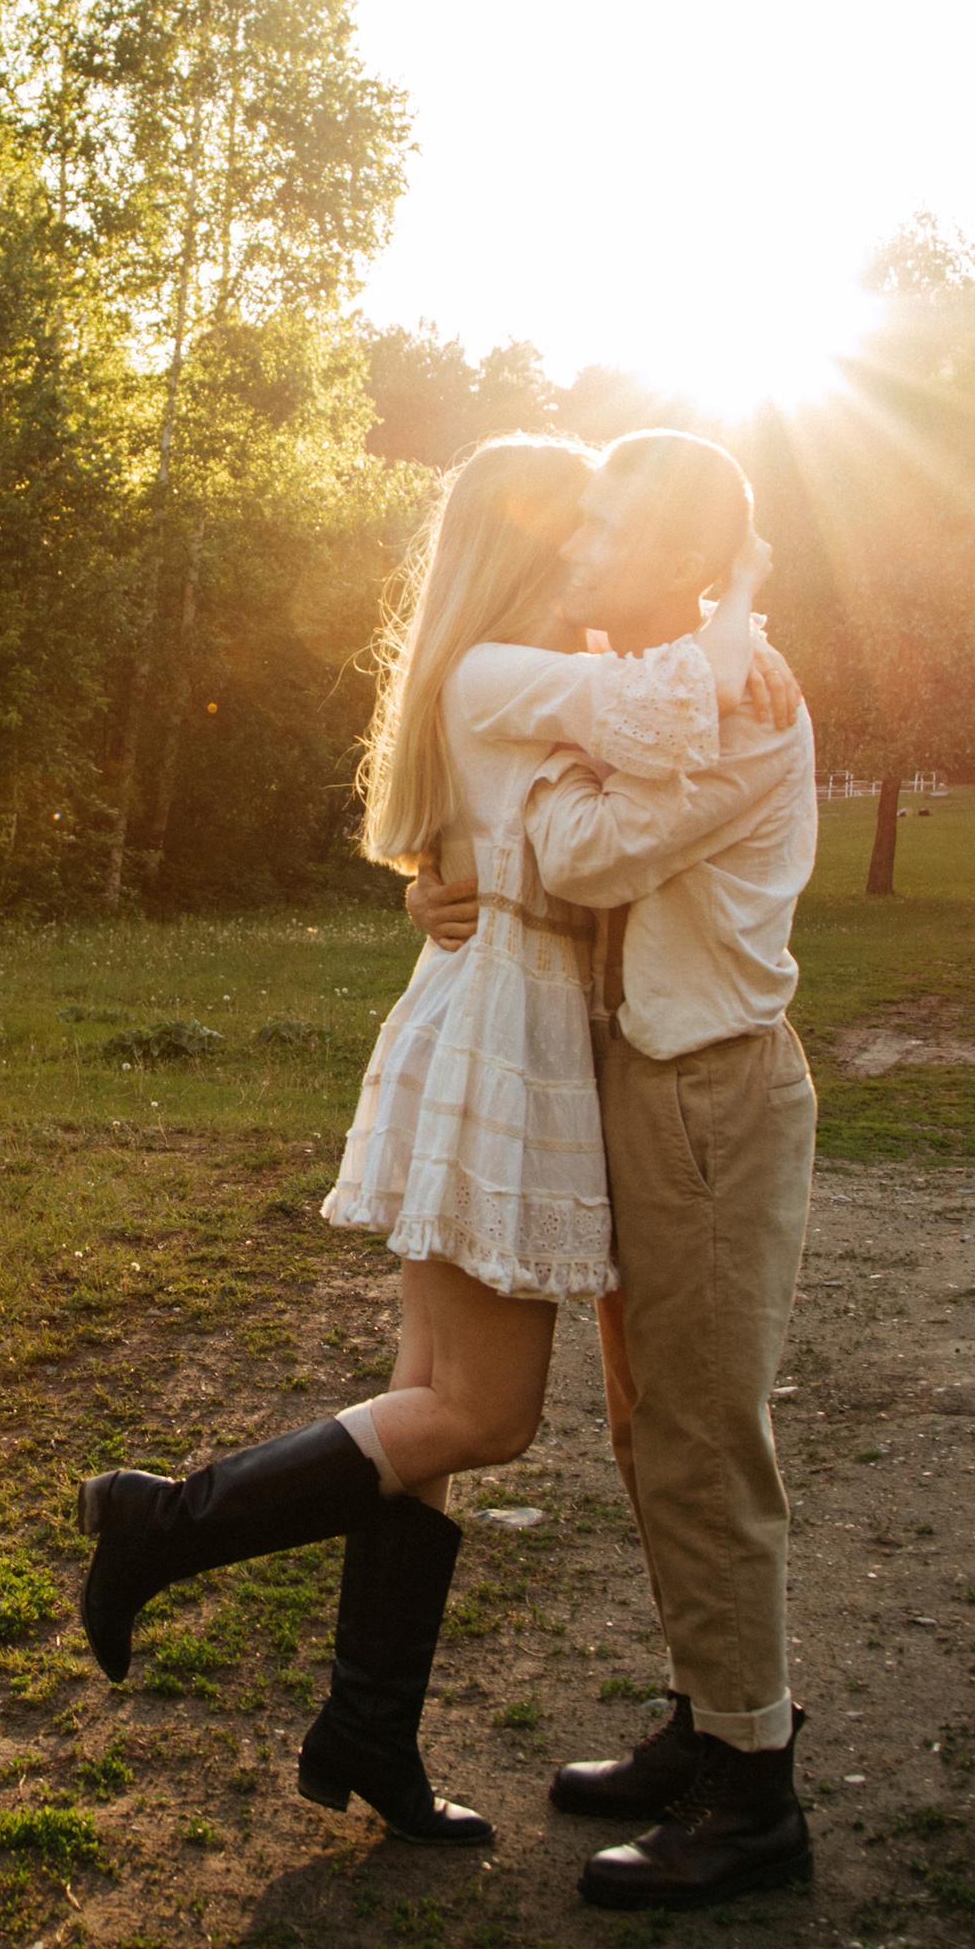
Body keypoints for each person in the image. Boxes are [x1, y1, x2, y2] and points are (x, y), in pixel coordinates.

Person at [75, 433, 798, 1851]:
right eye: (575, 522)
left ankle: (366, 1730)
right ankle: (165, 1521)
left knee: (428, 1409)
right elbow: (666, 717)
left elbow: (606, 764)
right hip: (501, 1036)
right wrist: (740, 594)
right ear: (526, 543)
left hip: (501, 1017)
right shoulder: (510, 673)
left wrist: (449, 884)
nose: (594, 541)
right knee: (484, 1412)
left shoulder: (528, 672)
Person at [405, 429, 819, 1913]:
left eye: (614, 529)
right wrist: (435, 879)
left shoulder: (751, 711)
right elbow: (508, 810)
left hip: (710, 1094)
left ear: (693, 565)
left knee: (707, 1437)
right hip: (636, 1085)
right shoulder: (642, 681)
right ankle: (710, 1720)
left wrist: (506, 834)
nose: (579, 548)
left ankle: (755, 1796)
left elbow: (577, 856)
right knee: (652, 1436)